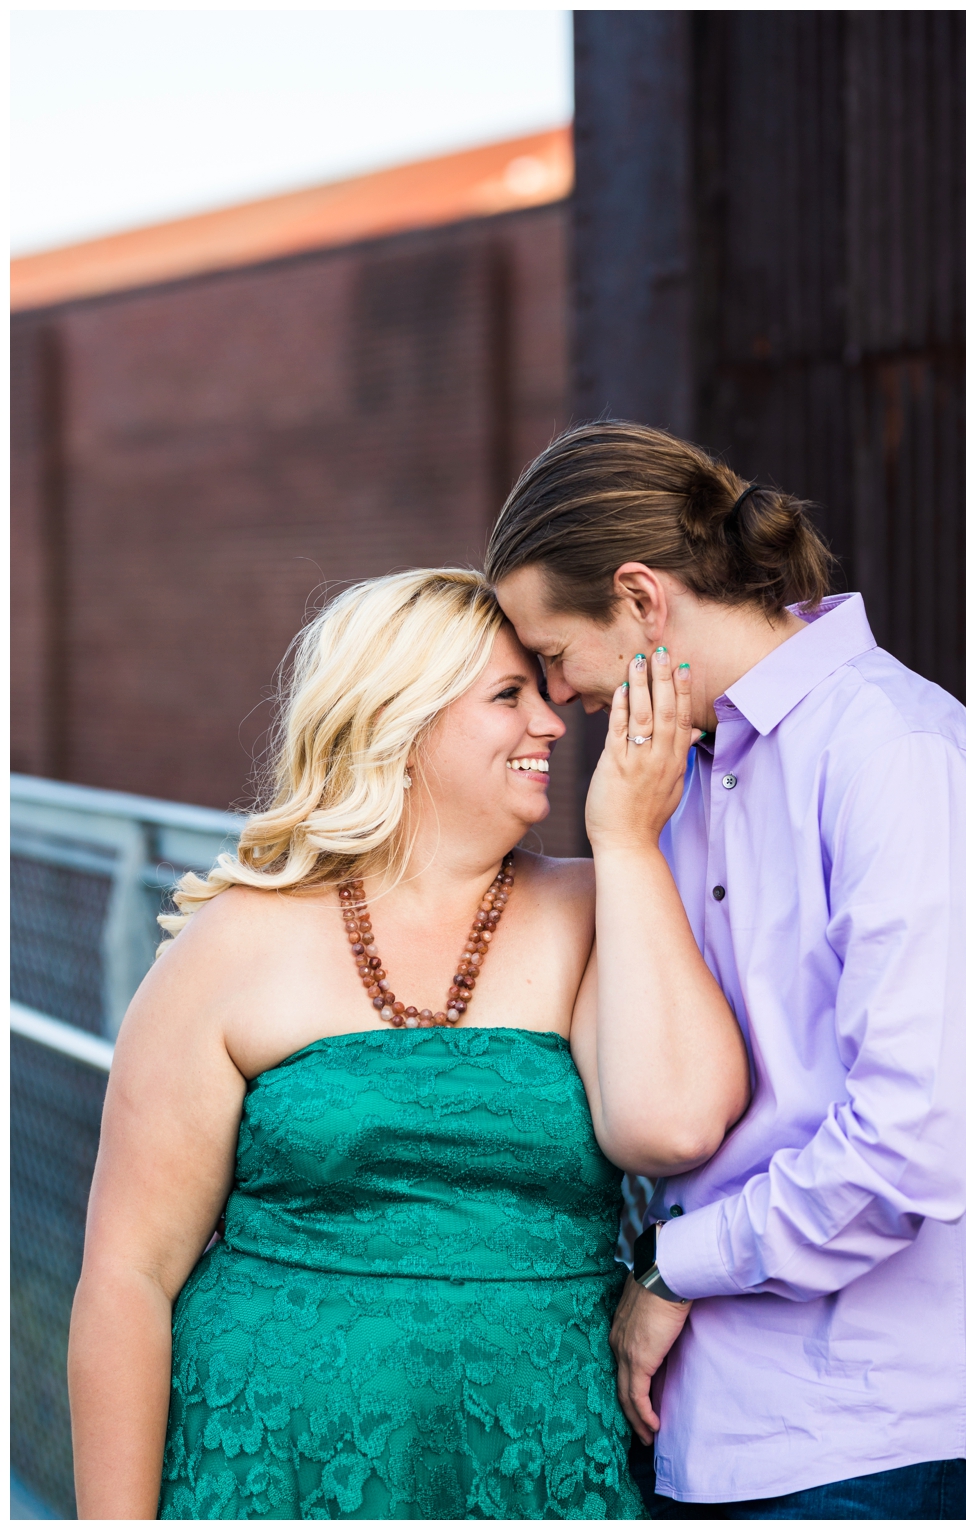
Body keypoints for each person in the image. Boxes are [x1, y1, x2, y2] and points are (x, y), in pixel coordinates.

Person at [68, 568, 750, 1518]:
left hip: (538, 1459)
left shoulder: (601, 906)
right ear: (400, 722)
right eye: (508, 697)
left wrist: (629, 842)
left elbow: (680, 1121)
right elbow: (127, 1280)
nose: (553, 723)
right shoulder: (232, 943)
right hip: (271, 1463)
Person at [486, 421, 966, 1519]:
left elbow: (911, 1144)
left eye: (552, 653)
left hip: (878, 1439)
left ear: (640, 599)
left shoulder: (899, 757)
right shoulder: (668, 780)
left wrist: (672, 1266)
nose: (559, 696)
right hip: (708, 1427)